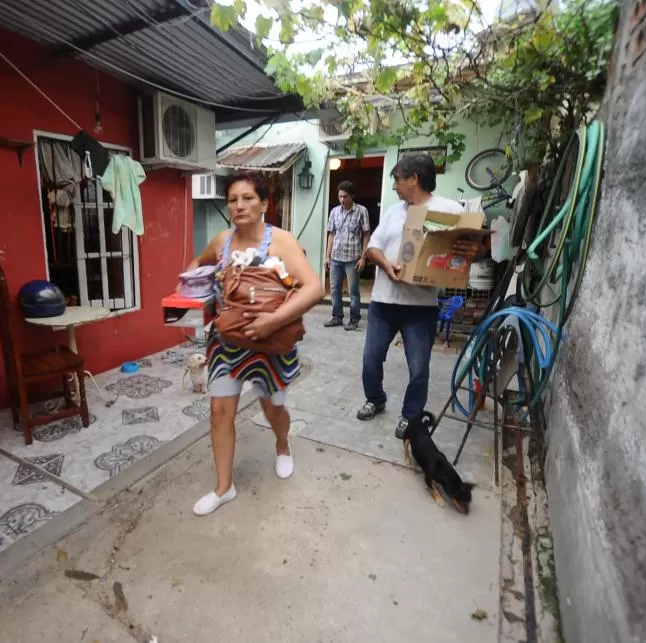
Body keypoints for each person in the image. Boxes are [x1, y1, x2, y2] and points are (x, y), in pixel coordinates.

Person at [184, 171, 324, 516]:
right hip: (228, 342)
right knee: (219, 412)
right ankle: (223, 487)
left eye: (248, 198)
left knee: (272, 407)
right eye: (233, 199)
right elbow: (196, 265)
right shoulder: (221, 242)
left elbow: (314, 288)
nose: (239, 205)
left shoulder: (282, 241)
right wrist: (189, 289)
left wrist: (272, 321)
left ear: (264, 203)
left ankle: (281, 444)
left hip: (272, 343)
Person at [357, 154, 486, 438]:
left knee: (418, 368)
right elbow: (373, 248)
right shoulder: (393, 212)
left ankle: (411, 415)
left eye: (397, 179)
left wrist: (477, 252)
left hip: (420, 306)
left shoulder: (449, 210)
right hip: (383, 302)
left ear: (413, 178)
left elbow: (474, 246)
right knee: (370, 358)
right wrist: (386, 264)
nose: (394, 186)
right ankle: (375, 399)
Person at [325, 180, 370, 331]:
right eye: (340, 196)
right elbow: (331, 234)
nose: (342, 200)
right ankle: (337, 317)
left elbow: (366, 235)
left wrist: (364, 257)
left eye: (345, 196)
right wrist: (327, 255)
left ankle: (354, 319)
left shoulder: (362, 211)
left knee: (353, 291)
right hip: (336, 257)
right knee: (334, 288)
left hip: (353, 258)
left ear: (352, 196)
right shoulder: (334, 212)